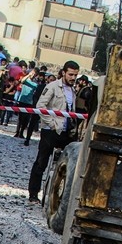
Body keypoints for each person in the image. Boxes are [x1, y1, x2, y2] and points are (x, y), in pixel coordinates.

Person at [27, 60, 81, 203]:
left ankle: (56, 196)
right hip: (51, 130)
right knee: (41, 161)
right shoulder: (52, 87)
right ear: (63, 72)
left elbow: (71, 111)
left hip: (66, 132)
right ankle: (33, 193)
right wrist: (51, 124)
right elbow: (41, 106)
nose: (73, 78)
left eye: (75, 75)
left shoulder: (73, 91)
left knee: (65, 164)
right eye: (70, 74)